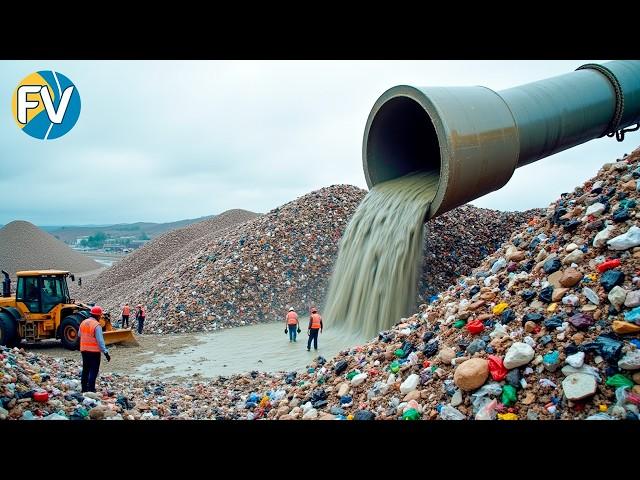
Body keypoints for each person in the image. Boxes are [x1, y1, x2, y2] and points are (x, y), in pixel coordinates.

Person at [78, 305, 111, 393]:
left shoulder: (83, 322)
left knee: (85, 369)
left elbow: (79, 335)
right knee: (93, 370)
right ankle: (91, 389)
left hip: (84, 350)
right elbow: (100, 341)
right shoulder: (97, 325)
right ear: (98, 315)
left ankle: (84, 388)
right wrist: (105, 352)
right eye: (100, 315)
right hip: (94, 352)